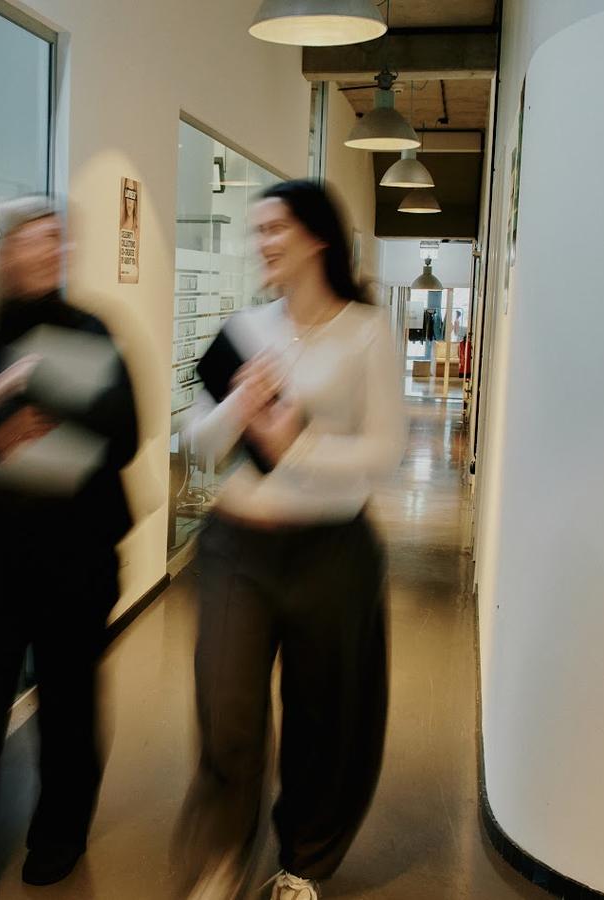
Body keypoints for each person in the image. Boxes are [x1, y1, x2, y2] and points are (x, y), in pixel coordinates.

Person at [179, 180, 408, 900]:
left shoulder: (368, 331)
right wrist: (240, 406)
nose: (262, 243)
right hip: (236, 551)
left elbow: (385, 451)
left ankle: (301, 861)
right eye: (257, 231)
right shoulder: (245, 327)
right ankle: (221, 854)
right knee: (227, 716)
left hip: (331, 553)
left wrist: (297, 442)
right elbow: (196, 443)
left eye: (274, 227)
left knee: (322, 717)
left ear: (316, 236)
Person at [0, 196, 140, 888]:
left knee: (69, 703)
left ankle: (60, 834)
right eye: (32, 242)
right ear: (6, 254)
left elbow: (126, 432)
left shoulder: (92, 329)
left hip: (74, 551)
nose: (47, 253)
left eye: (57, 242)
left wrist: (43, 390)